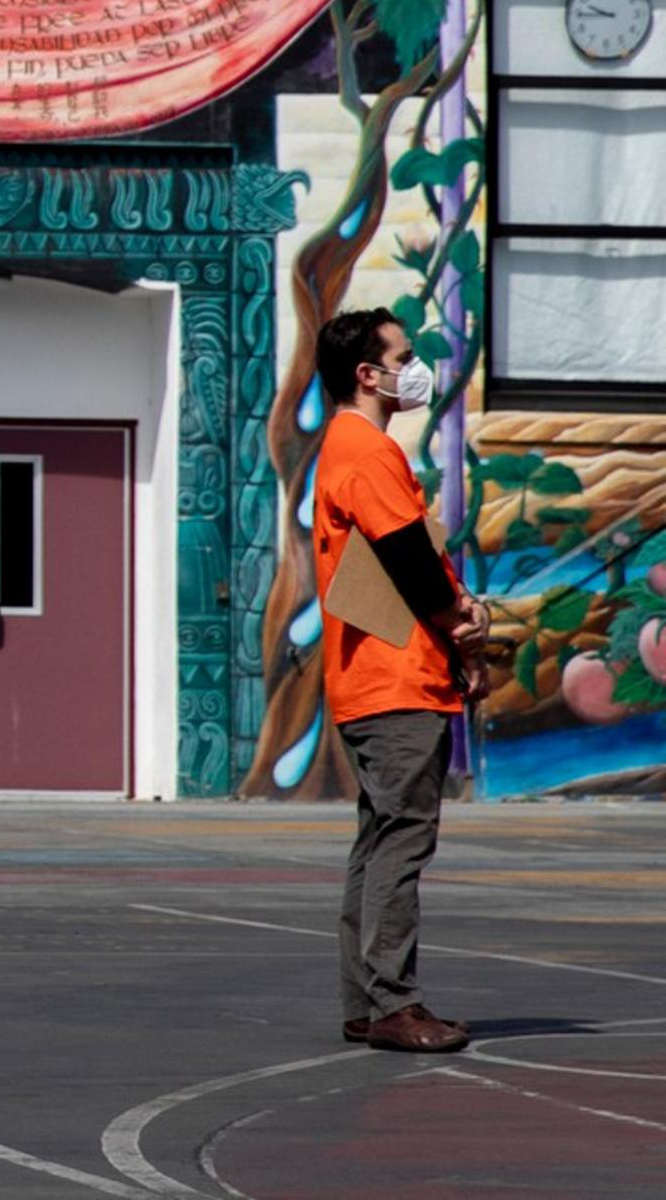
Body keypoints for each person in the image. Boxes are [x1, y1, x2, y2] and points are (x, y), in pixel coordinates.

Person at [313, 308, 488, 1056]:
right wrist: (461, 623)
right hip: (394, 679)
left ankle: (365, 1001)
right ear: (366, 373)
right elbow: (409, 559)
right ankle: (392, 1001)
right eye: (402, 355)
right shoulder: (365, 449)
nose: (412, 369)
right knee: (402, 838)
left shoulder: (346, 447)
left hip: (370, 677)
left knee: (379, 837)